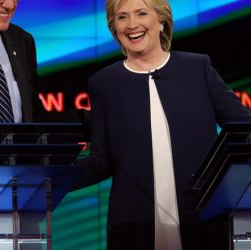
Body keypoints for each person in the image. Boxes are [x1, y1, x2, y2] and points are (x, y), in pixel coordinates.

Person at [74, 0, 251, 249]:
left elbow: (244, 129)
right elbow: (101, 160)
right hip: (133, 227)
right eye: (122, 17)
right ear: (114, 27)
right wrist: (56, 178)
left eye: (142, 13)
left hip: (204, 223)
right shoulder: (104, 83)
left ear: (161, 20)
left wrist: (226, 184)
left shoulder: (196, 68)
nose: (132, 25)